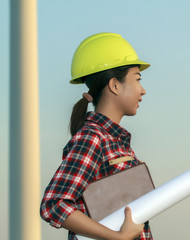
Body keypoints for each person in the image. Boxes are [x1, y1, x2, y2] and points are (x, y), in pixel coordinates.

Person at [40, 33, 153, 240]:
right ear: (114, 85)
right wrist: (117, 237)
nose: (143, 90)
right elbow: (54, 204)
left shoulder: (117, 143)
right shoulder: (92, 138)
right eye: (137, 80)